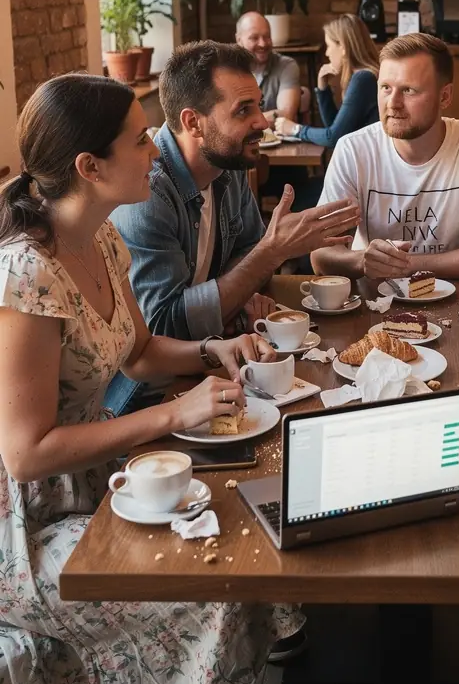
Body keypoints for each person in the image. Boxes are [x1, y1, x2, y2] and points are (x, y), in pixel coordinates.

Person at [0, 74, 304, 684]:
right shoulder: (26, 276)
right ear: (90, 167)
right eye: (140, 141)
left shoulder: (102, 239)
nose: (157, 154)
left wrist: (211, 351)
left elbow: (136, 350)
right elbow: (24, 453)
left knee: (233, 549)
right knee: (207, 589)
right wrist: (173, 412)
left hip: (95, 481)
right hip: (27, 521)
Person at [106, 41, 358, 415]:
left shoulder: (228, 165)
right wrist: (270, 254)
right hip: (148, 399)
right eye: (244, 110)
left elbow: (248, 251)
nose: (263, 121)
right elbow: (166, 325)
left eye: (258, 104)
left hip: (221, 359)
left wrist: (252, 269)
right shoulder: (146, 191)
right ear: (194, 123)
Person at [311, 32, 459, 280]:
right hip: (377, 299)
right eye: (386, 88)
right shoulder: (353, 149)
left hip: (458, 300)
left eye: (408, 90)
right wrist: (362, 261)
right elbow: (320, 255)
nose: (393, 103)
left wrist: (406, 264)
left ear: (445, 97)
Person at [273, 13, 379, 147]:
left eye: (329, 46)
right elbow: (334, 127)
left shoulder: (363, 78)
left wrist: (295, 129)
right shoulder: (364, 76)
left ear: (343, 47)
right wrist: (323, 89)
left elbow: (333, 138)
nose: (327, 53)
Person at [235, 10, 301, 123]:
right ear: (239, 40)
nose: (263, 44)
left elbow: (287, 115)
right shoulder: (227, 70)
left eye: (267, 36)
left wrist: (241, 122)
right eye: (254, 38)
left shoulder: (286, 66)